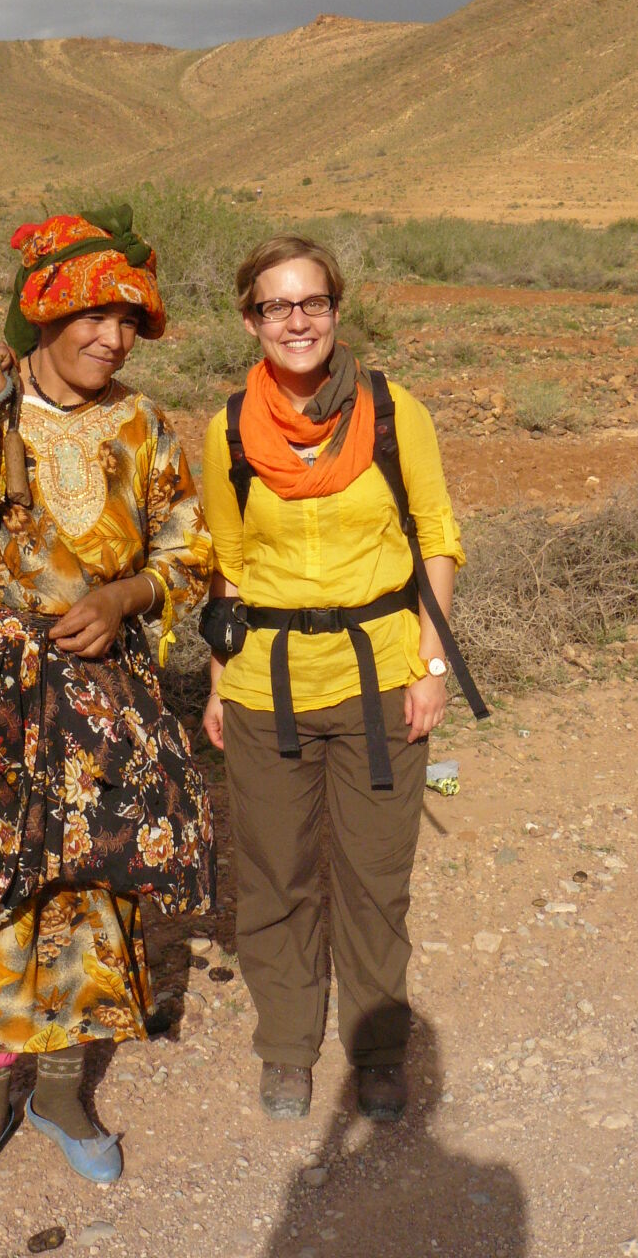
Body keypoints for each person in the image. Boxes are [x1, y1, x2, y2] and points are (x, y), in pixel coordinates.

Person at [0, 205, 215, 1205]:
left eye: (128, 320)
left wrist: (125, 596)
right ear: (43, 314)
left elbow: (190, 548)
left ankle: (65, 1099)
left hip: (103, 691)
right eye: (91, 316)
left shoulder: (147, 423)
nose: (109, 338)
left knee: (96, 892)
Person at [201, 234, 465, 1124]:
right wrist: (214, 683)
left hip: (382, 678)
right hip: (263, 684)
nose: (297, 320)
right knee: (274, 875)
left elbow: (435, 538)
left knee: (374, 875)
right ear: (251, 320)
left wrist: (431, 666)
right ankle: (285, 1046)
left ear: (336, 311)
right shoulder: (227, 428)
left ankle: (377, 1049)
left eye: (312, 302)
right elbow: (228, 569)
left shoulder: (395, 413)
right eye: (277, 306)